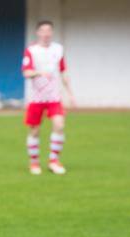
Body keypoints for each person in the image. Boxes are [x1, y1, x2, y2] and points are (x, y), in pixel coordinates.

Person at [22, 20, 75, 175]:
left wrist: (70, 94)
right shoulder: (31, 51)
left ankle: (54, 161)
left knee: (59, 125)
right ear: (38, 33)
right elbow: (26, 72)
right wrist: (39, 73)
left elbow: (63, 71)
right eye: (43, 31)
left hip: (54, 97)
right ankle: (34, 163)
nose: (46, 34)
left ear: (51, 33)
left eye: (48, 31)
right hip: (37, 97)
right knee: (34, 130)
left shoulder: (58, 49)